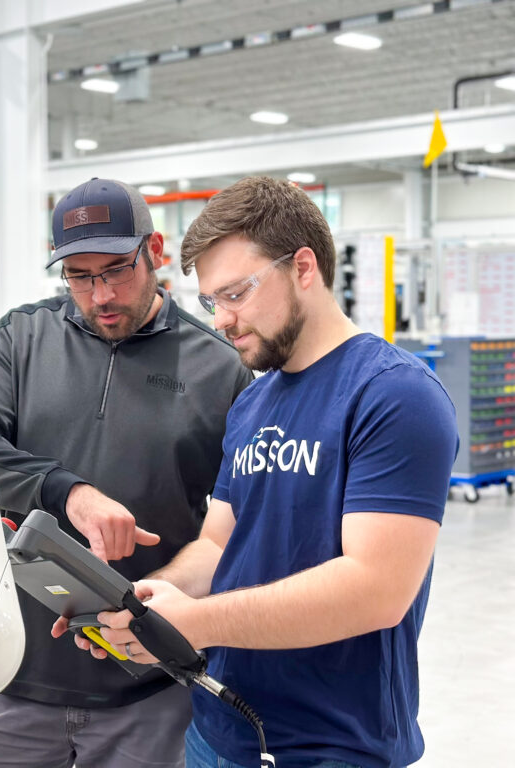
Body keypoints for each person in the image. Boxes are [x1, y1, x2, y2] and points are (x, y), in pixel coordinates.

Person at [79, 177, 459, 768]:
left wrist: (198, 623)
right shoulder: (254, 402)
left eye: (236, 293)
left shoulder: (394, 394)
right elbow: (218, 542)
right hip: (218, 728)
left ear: (303, 267)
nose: (223, 320)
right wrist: (155, 600)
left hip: (334, 746)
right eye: (211, 301)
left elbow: (377, 589)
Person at [0, 178, 253, 768]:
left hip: (148, 690)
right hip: (11, 676)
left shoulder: (220, 366)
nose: (101, 294)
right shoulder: (22, 339)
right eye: (80, 276)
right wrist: (69, 494)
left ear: (156, 251)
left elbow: (239, 523)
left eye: (118, 270)